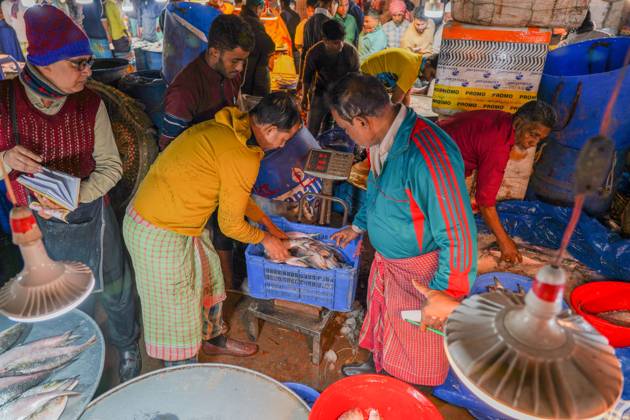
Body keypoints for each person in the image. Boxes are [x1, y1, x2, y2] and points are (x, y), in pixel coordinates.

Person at [0, 5, 141, 382]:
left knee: (115, 285)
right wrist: (4, 158)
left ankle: (127, 347)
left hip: (92, 212)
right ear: (44, 62)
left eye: (88, 63)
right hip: (34, 226)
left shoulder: (89, 103)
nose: (87, 72)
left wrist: (73, 197)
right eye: (77, 63)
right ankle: (76, 362)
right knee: (60, 301)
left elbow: (111, 166)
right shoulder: (3, 102)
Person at [123, 93, 300, 366]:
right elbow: (230, 226)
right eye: (284, 139)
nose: (282, 146)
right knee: (177, 314)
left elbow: (238, 196)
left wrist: (268, 224)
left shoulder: (232, 129)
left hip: (181, 221)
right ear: (269, 130)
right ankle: (183, 372)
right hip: (158, 230)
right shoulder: (240, 153)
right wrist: (266, 240)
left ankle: (214, 342)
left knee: (210, 279)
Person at [329, 73, 476, 385]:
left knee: (417, 339)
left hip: (422, 276)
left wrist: (446, 293)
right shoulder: (380, 140)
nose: (347, 135)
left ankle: (404, 388)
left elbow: (459, 232)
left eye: (345, 128)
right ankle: (378, 365)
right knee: (385, 320)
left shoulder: (428, 155)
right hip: (389, 266)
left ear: (361, 120)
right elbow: (378, 191)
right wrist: (358, 226)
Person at [438, 101, 556, 264]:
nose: (534, 143)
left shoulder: (503, 120)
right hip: (432, 160)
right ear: (519, 122)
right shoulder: (497, 145)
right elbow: (485, 202)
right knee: (443, 220)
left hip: (439, 145)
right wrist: (505, 242)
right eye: (533, 134)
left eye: (540, 138)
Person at [160, 14, 253, 149]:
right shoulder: (184, 91)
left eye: (243, 60)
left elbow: (237, 107)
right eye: (235, 61)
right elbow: (168, 149)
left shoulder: (232, 74)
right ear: (214, 52)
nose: (240, 68)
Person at [301, 19, 359, 136]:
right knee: (312, 130)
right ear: (325, 40)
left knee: (340, 133)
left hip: (343, 96)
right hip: (321, 94)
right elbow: (307, 78)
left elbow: (356, 78)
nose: (341, 45)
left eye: (342, 41)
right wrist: (304, 97)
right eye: (336, 43)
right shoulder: (314, 53)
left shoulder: (351, 52)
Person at [360, 48, 436, 105]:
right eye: (432, 74)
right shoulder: (413, 68)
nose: (430, 79)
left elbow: (406, 94)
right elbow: (395, 100)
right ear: (428, 64)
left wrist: (408, 113)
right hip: (365, 78)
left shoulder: (416, 61)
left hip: (365, 73)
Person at [240, 0, 275, 97]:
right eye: (262, 9)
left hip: (241, 78)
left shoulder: (240, 19)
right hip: (252, 80)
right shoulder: (253, 23)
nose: (261, 13)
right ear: (258, 7)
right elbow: (269, 45)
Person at [300, 0, 338, 70]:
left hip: (311, 72)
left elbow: (304, 52)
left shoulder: (307, 23)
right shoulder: (331, 24)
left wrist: (301, 77)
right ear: (332, 4)